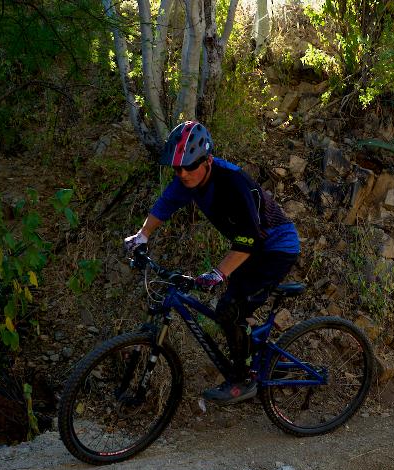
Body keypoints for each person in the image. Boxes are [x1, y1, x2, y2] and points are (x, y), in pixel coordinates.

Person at [124, 121, 300, 404]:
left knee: (228, 308)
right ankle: (255, 356)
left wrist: (218, 272)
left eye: (189, 166)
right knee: (233, 310)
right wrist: (142, 235)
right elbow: (165, 204)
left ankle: (242, 381)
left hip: (275, 247)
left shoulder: (232, 182)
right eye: (177, 168)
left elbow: (249, 240)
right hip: (250, 248)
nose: (182, 173)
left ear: (207, 160)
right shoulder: (188, 180)